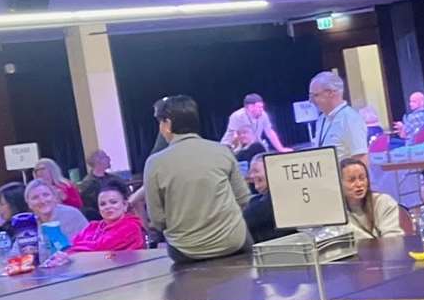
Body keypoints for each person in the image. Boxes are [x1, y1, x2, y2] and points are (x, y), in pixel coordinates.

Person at [144, 95, 252, 263]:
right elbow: (244, 200)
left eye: (160, 123)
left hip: (185, 251)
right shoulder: (222, 151)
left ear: (167, 125)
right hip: (233, 243)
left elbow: (157, 219)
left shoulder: (154, 163)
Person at [20, 180, 106, 300]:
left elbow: (91, 245)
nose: (42, 200)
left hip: (77, 277)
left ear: (54, 196)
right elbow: (15, 253)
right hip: (43, 282)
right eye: (35, 197)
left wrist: (69, 256)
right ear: (29, 203)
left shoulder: (70, 215)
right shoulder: (28, 224)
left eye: (45, 195)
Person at [340, 157, 404, 300]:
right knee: (330, 295)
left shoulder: (383, 202)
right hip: (350, 272)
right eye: (351, 180)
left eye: (362, 178)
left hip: (388, 269)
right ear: (339, 183)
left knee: (372, 286)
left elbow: (392, 241)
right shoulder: (334, 212)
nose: (359, 184)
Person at [241, 155, 293, 300]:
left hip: (286, 272)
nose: (252, 176)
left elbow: (245, 219)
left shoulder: (280, 199)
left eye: (256, 170)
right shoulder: (255, 201)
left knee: (258, 299)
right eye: (251, 171)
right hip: (258, 272)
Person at [64, 180, 147, 253]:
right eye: (103, 204)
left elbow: (100, 248)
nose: (108, 207)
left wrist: (75, 249)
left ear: (124, 205)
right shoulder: (93, 226)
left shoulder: (131, 227)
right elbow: (72, 246)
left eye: (113, 202)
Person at [308, 71, 369, 161]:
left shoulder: (350, 119)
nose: (311, 101)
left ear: (330, 93)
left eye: (315, 95)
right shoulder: (322, 119)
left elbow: (361, 158)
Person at [220, 93, 289, 153]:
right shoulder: (237, 116)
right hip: (232, 148)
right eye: (259, 107)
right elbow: (234, 136)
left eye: (262, 107)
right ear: (250, 107)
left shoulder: (263, 115)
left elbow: (269, 132)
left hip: (253, 146)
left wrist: (280, 149)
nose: (262, 109)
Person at [76, 150, 114, 219]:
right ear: (98, 162)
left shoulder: (114, 178)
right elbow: (91, 208)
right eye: (105, 157)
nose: (109, 159)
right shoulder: (88, 184)